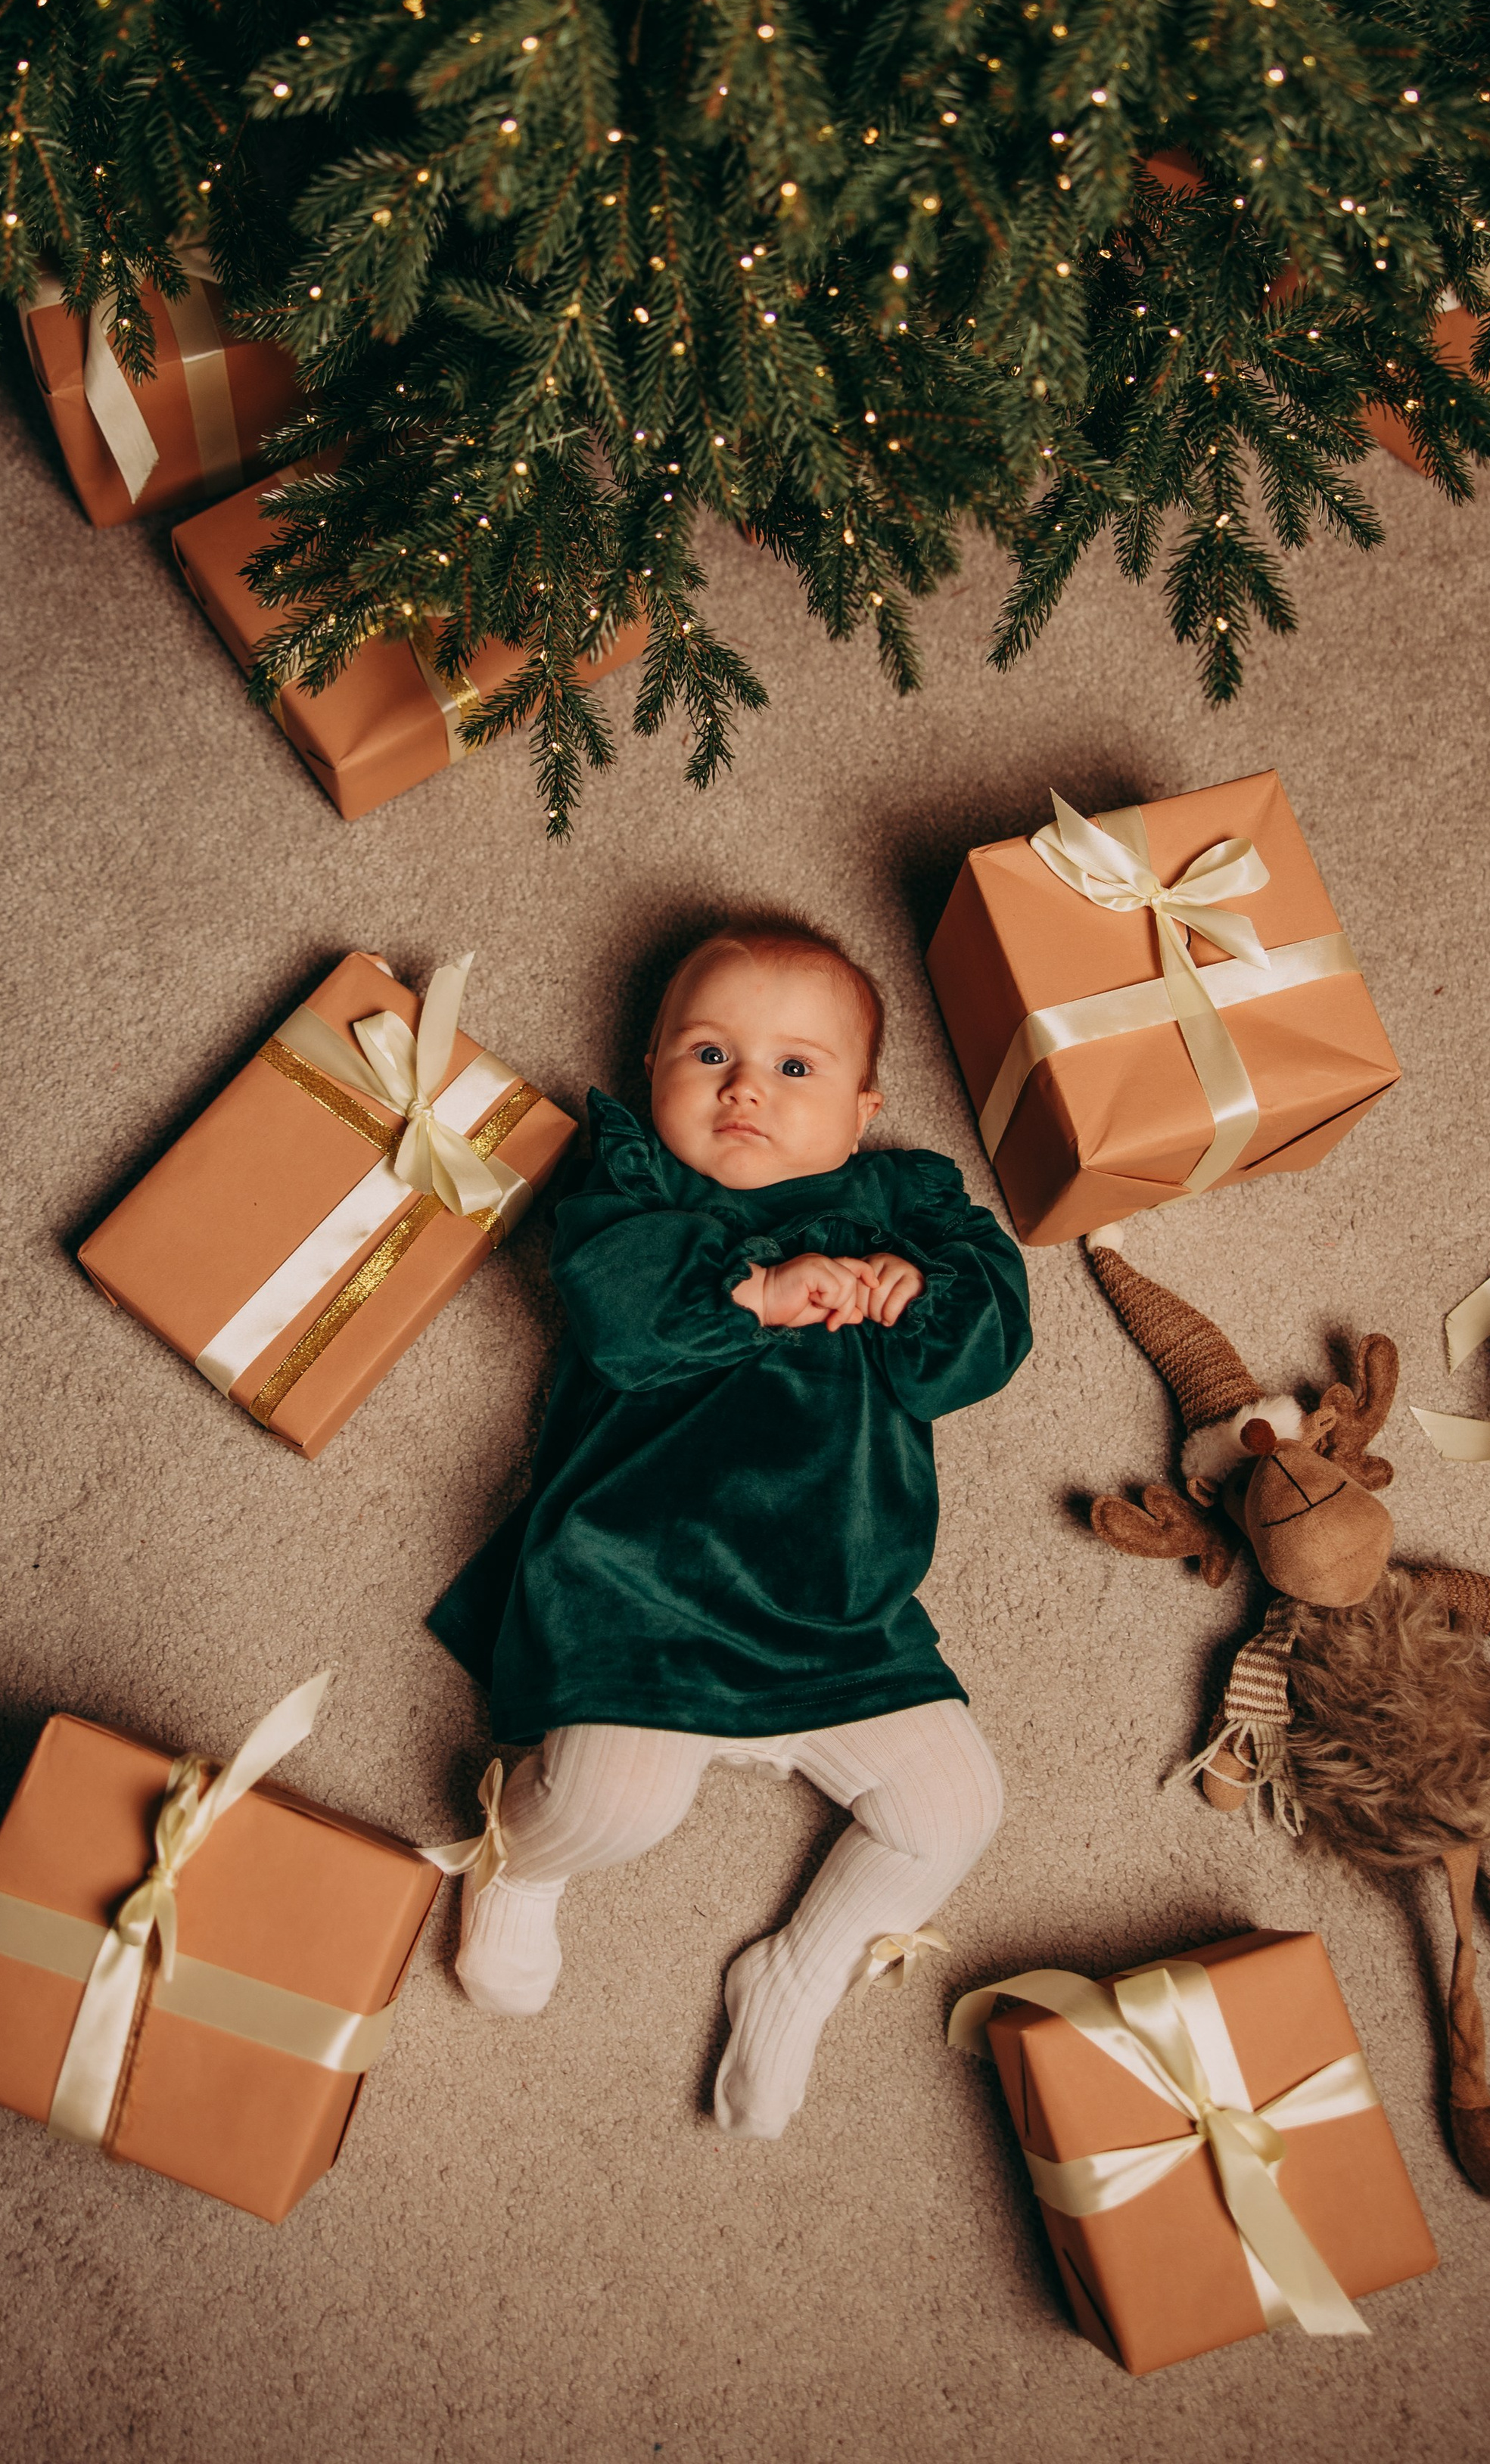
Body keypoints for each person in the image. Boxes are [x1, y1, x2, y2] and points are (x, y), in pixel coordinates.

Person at [428, 912, 1031, 2136]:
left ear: (865, 1109)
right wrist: (755, 1295)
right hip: (643, 1587)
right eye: (707, 1055)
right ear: (651, 1071)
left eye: (795, 1067)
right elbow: (618, 1320)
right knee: (615, 1807)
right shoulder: (634, 1191)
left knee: (954, 1809)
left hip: (841, 1615)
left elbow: (978, 1350)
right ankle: (519, 1858)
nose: (746, 1085)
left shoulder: (905, 1206)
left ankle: (796, 1975)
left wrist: (916, 1293)